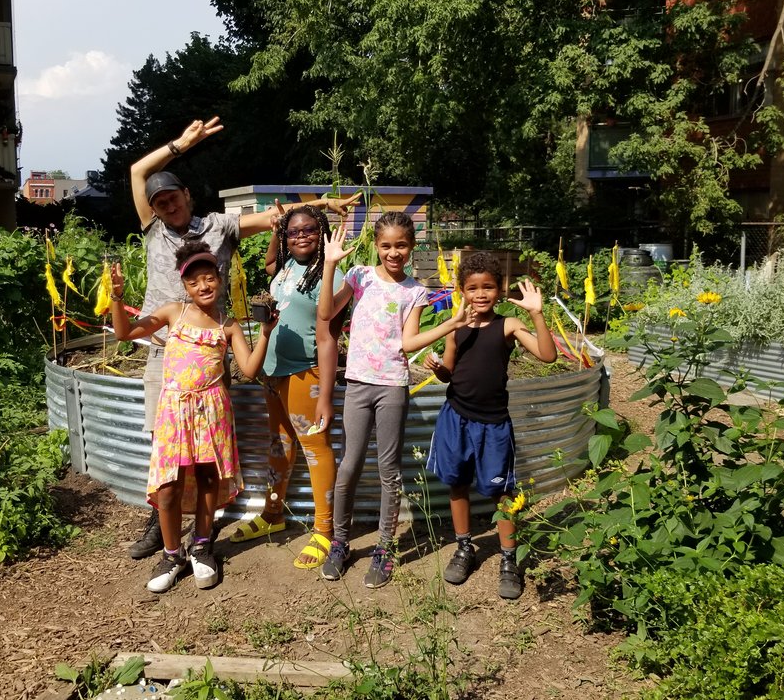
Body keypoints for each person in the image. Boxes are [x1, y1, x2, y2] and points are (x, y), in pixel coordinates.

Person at [126, 116, 360, 559]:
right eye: (159, 202)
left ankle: (203, 532)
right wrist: (181, 143)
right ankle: (160, 525)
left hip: (213, 352)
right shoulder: (153, 228)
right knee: (166, 443)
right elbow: (138, 172)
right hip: (165, 353)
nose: (167, 206)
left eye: (173, 197)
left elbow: (282, 219)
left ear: (187, 196)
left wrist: (325, 202)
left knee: (205, 444)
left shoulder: (219, 226)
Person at [110, 241, 277, 592]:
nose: (203, 286)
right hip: (174, 411)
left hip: (212, 410)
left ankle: (202, 546)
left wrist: (264, 333)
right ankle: (172, 554)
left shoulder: (227, 325)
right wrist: (116, 296)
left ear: (219, 278)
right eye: (194, 281)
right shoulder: (173, 313)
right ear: (185, 286)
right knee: (167, 488)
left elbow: (247, 369)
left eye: (209, 278)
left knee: (207, 482)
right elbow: (125, 333)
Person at [317, 211, 472, 588]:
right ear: (376, 245)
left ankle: (385, 549)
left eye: (401, 245)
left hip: (391, 386)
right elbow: (325, 312)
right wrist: (330, 265)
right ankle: (340, 542)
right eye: (386, 245)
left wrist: (448, 325)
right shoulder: (360, 277)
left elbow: (407, 342)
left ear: (412, 246)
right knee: (349, 464)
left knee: (389, 471)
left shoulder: (415, 291)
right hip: (357, 384)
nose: (393, 252)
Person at [423, 252, 557, 599]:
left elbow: (547, 355)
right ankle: (464, 547)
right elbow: (449, 372)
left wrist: (536, 313)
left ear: (499, 290)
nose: (480, 294)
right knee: (457, 484)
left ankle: (509, 559)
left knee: (502, 493)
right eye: (472, 288)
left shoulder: (508, 325)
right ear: (462, 291)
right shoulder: (456, 327)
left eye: (488, 287)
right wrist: (438, 370)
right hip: (456, 418)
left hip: (494, 424)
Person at [227, 206, 344, 570]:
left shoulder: (332, 276)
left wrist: (325, 394)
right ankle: (273, 513)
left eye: (309, 229)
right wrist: (275, 231)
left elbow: (329, 337)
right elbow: (268, 267)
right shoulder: (287, 267)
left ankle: (326, 530)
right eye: (293, 232)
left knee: (314, 446)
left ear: (321, 232)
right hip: (274, 373)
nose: (301, 236)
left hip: (304, 374)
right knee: (279, 444)